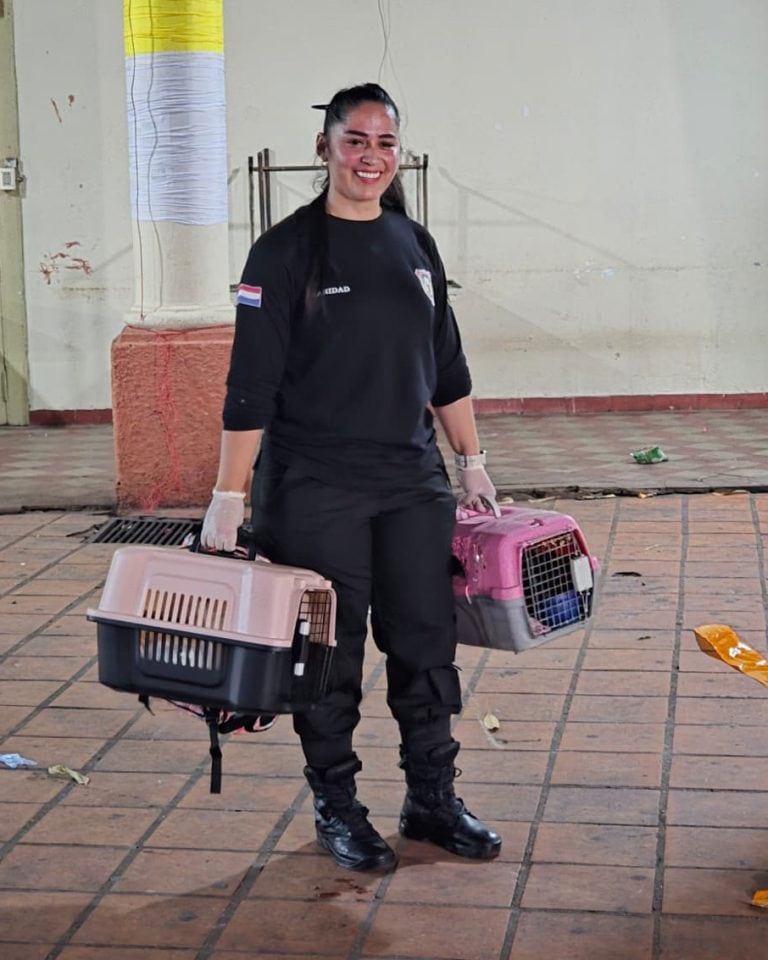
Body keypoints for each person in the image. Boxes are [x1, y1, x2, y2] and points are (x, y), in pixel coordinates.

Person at [201, 82, 501, 872]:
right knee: (330, 658)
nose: (371, 157)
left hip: (411, 484)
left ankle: (432, 799)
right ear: (325, 149)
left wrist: (471, 463)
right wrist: (228, 498)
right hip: (315, 490)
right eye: (356, 141)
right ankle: (338, 806)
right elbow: (249, 386)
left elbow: (446, 364)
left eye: (385, 144)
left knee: (426, 646)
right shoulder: (285, 252)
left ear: (399, 154)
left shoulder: (413, 244)